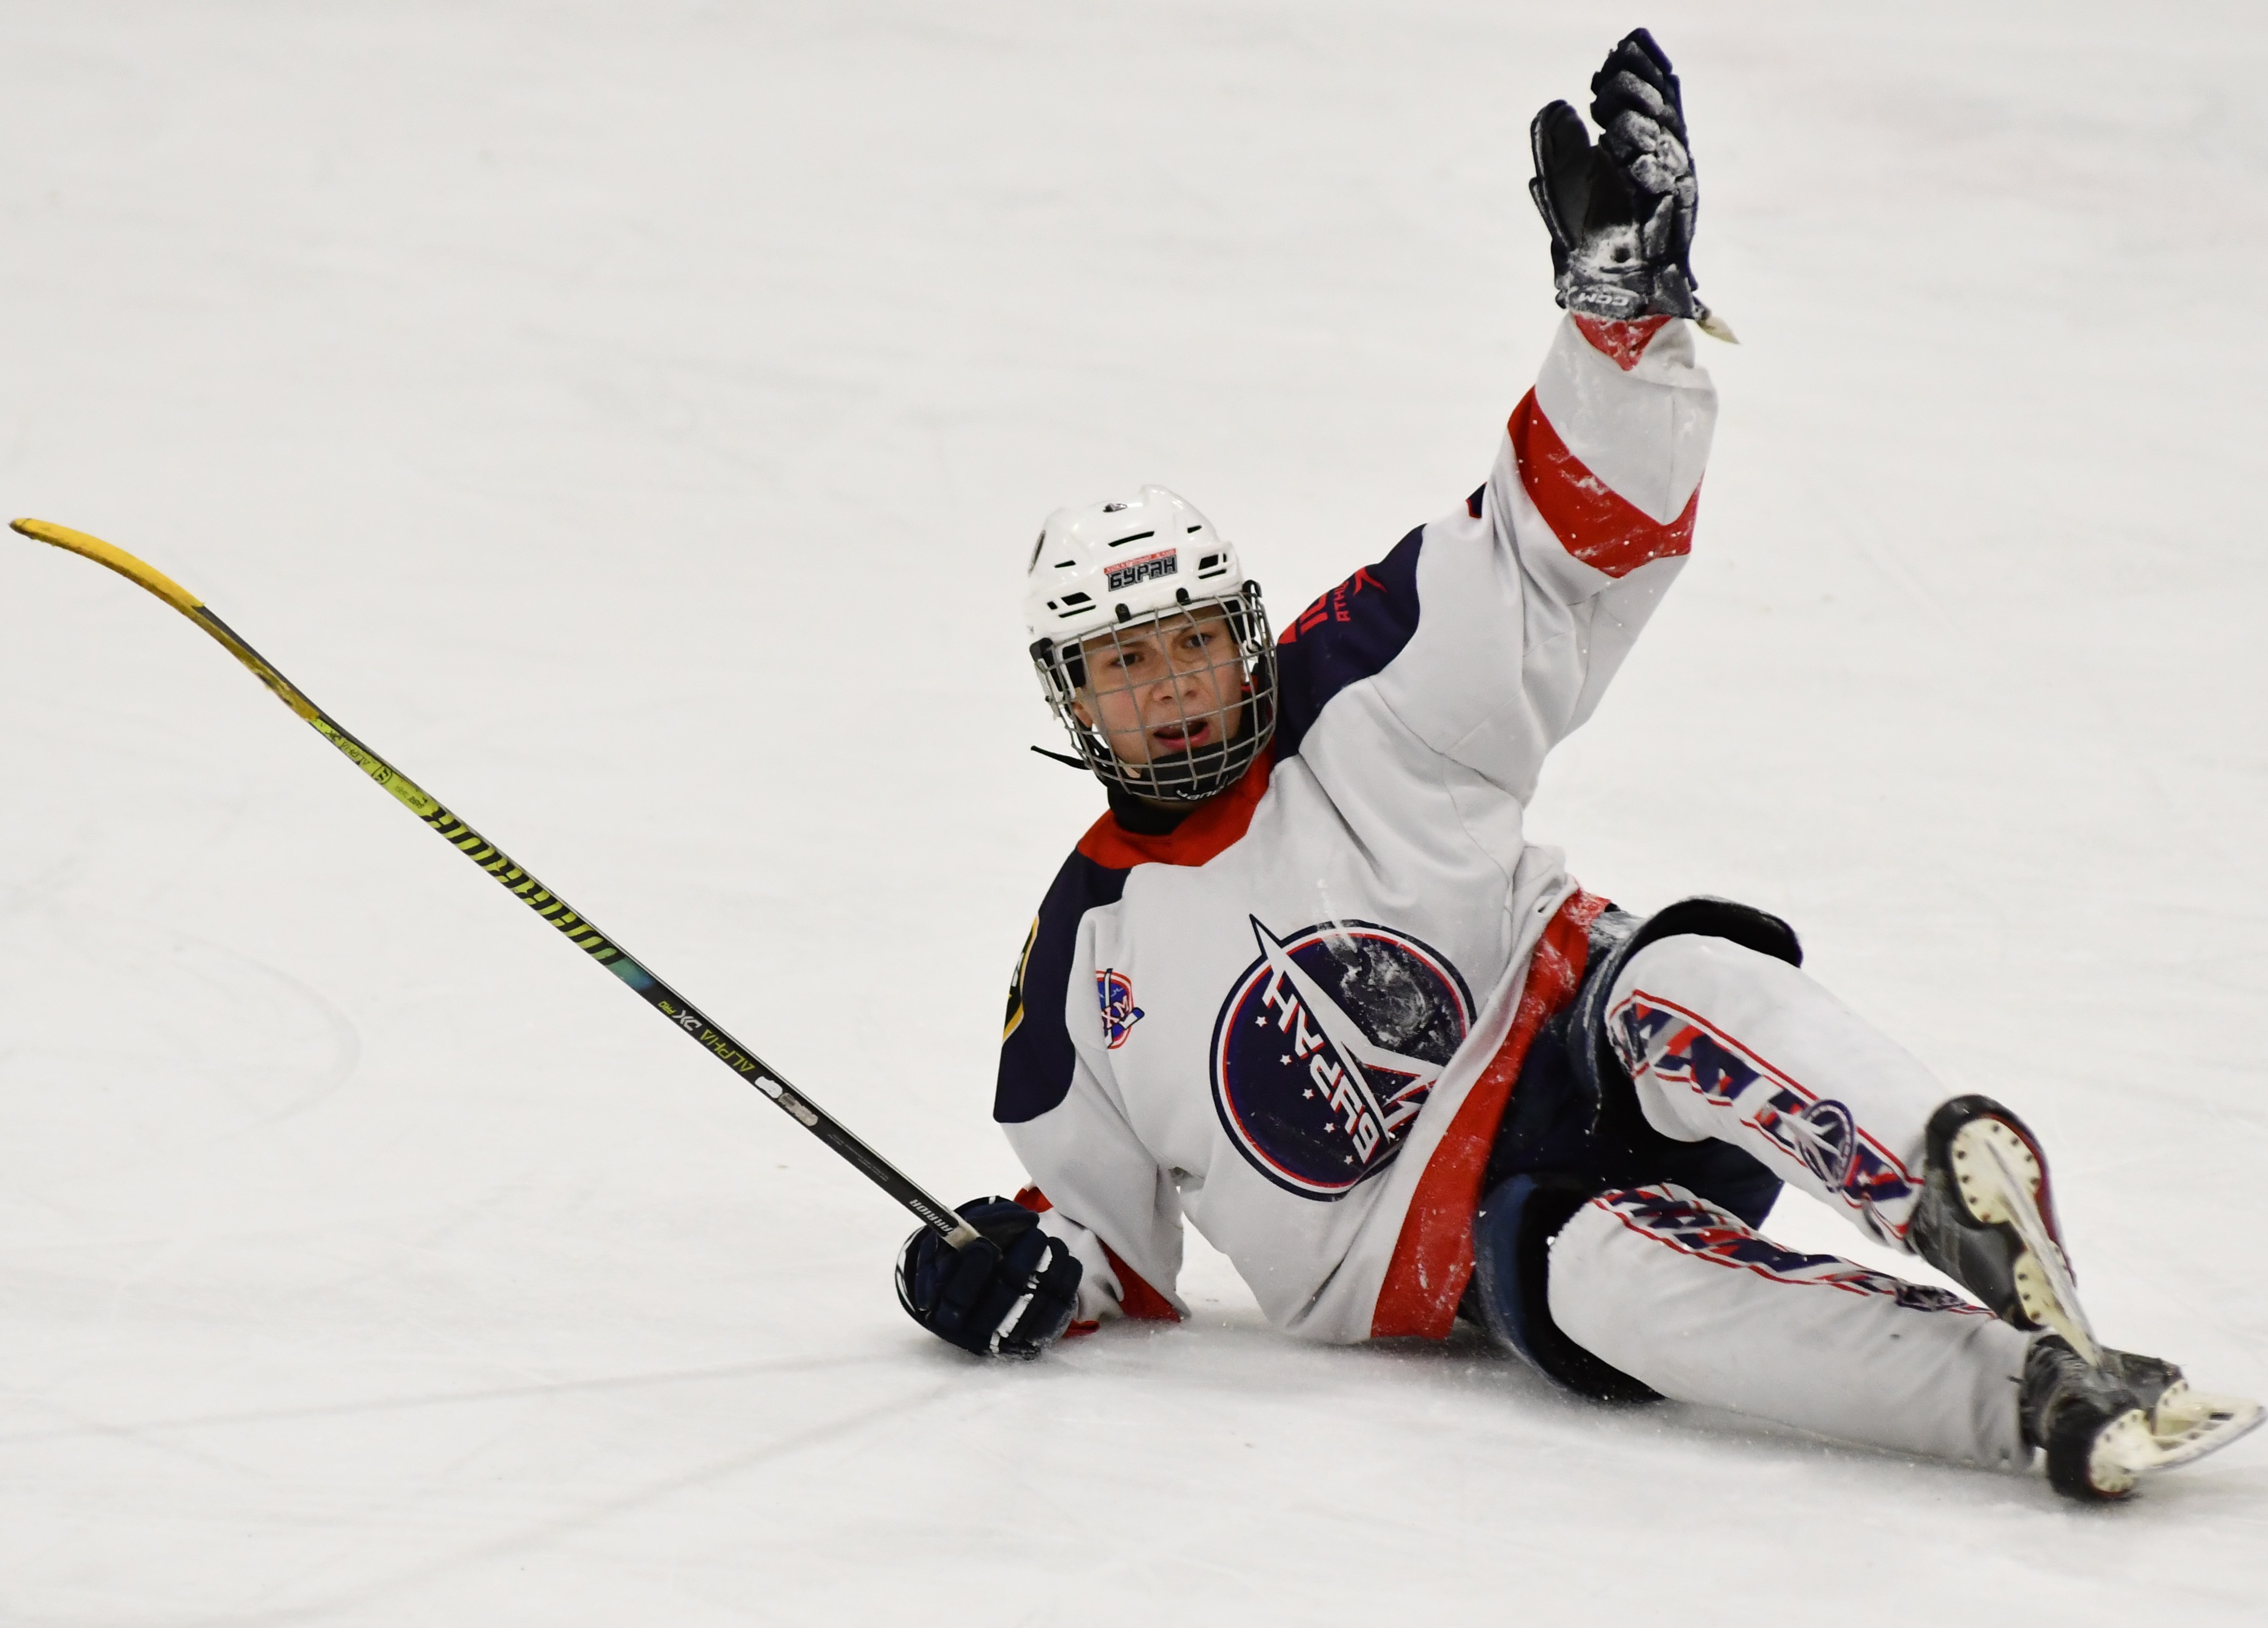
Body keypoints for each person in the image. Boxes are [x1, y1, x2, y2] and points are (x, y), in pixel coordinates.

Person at [892, 29, 2257, 1503]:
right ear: (1072, 699)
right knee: (1611, 1281)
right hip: (1498, 1245)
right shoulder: (1081, 955)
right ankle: (2040, 1404)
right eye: (1122, 665)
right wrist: (1003, 1267)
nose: (1169, 691)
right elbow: (1099, 1236)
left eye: (1190, 644)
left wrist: (1617, 325)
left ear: (1243, 632)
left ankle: (1951, 1184)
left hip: (1592, 1045)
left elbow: (1559, 548)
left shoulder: (1355, 683)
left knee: (1691, 985)